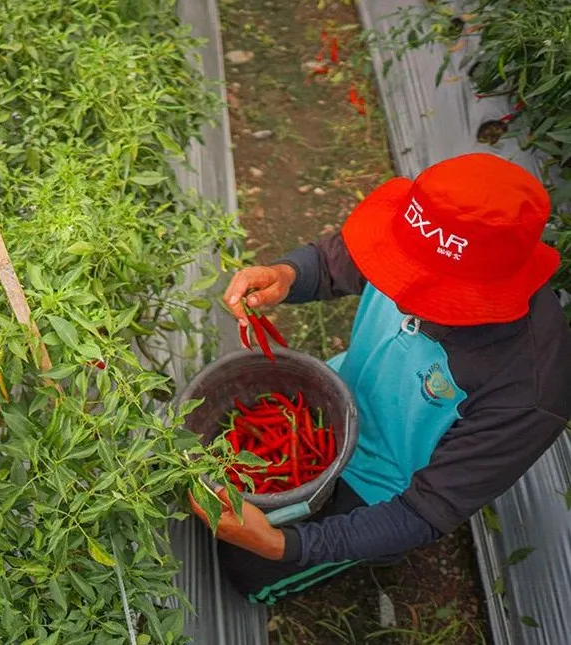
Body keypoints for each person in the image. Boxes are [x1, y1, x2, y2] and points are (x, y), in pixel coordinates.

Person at [190, 153, 571, 604]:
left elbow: (424, 512)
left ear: (487, 290)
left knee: (246, 566)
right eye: (399, 269)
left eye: (430, 289)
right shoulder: (416, 241)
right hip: (340, 399)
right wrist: (288, 274)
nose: (400, 294)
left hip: (386, 485)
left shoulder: (529, 389)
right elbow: (335, 262)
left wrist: (283, 546)